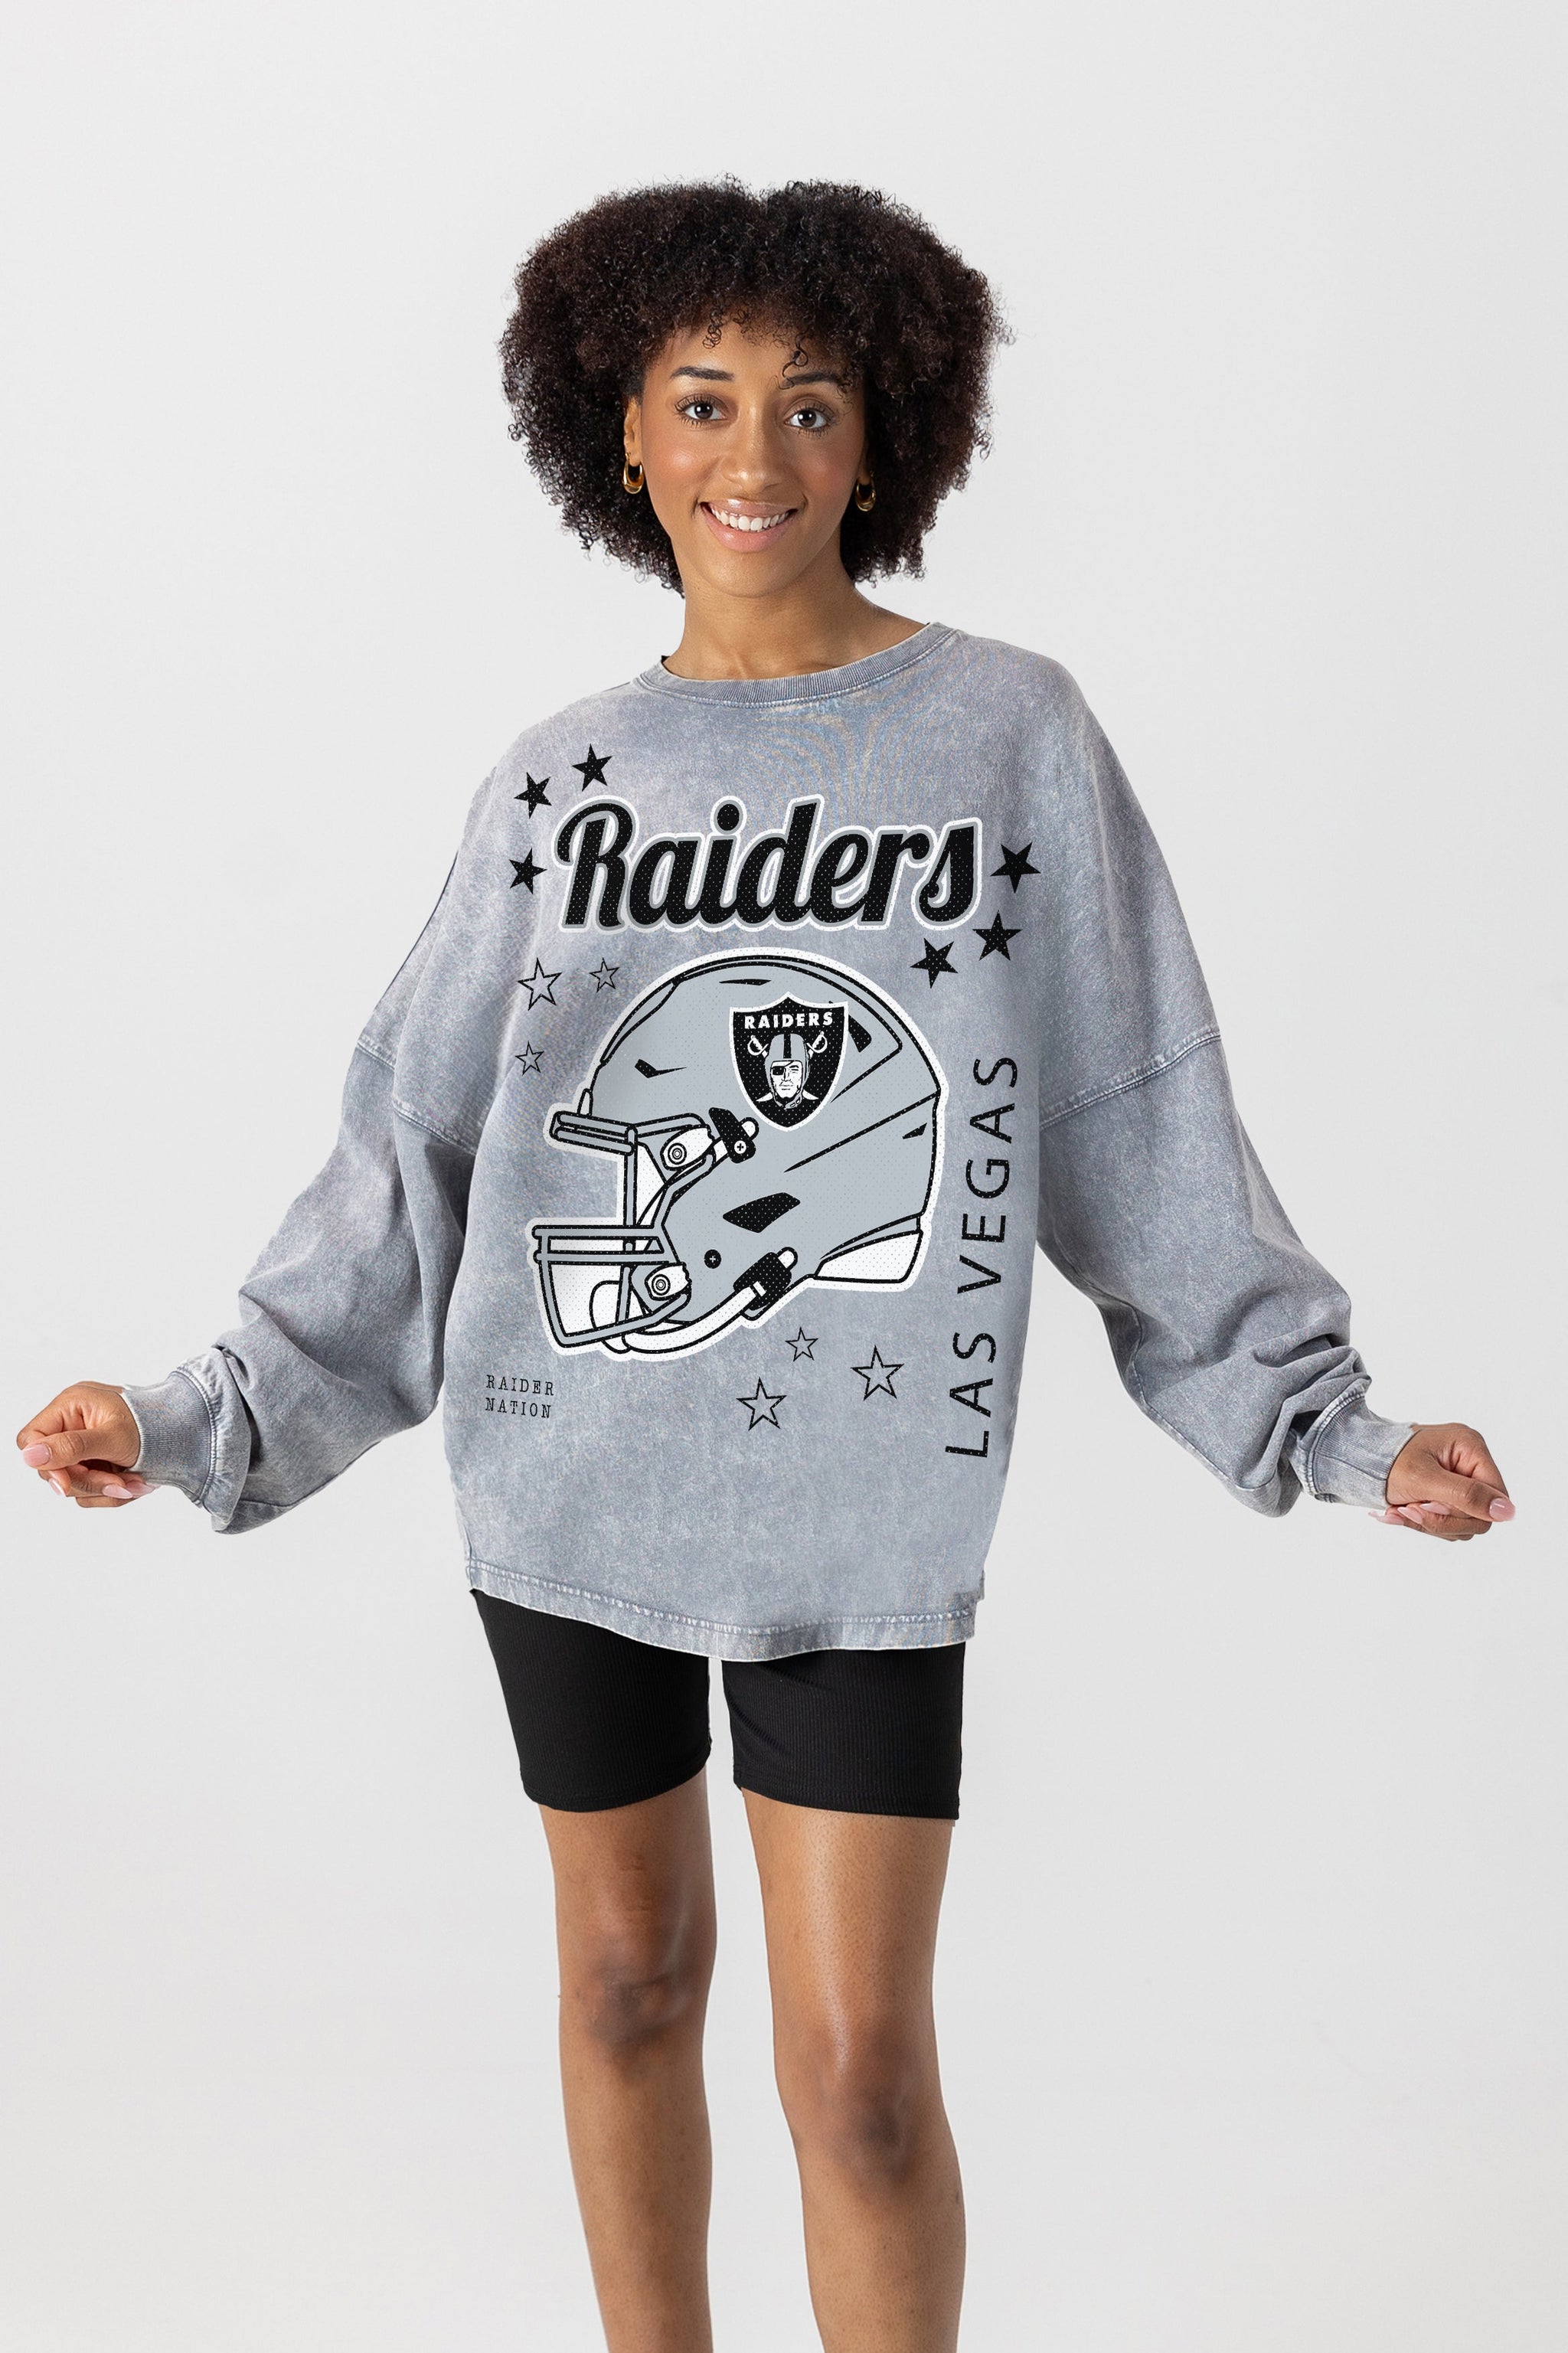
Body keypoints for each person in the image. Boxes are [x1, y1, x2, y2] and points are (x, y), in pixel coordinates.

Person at [15, 181, 1513, 2353]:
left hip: (872, 1514)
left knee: (861, 2077)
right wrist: (192, 1417)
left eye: (810, 405)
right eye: (702, 400)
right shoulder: (560, 784)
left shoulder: (1011, 737)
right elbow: (418, 1154)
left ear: (881, 433)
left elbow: (1135, 1120)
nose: (755, 454)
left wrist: (1336, 1433)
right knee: (629, 1982)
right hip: (571, 1475)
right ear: (620, 435)